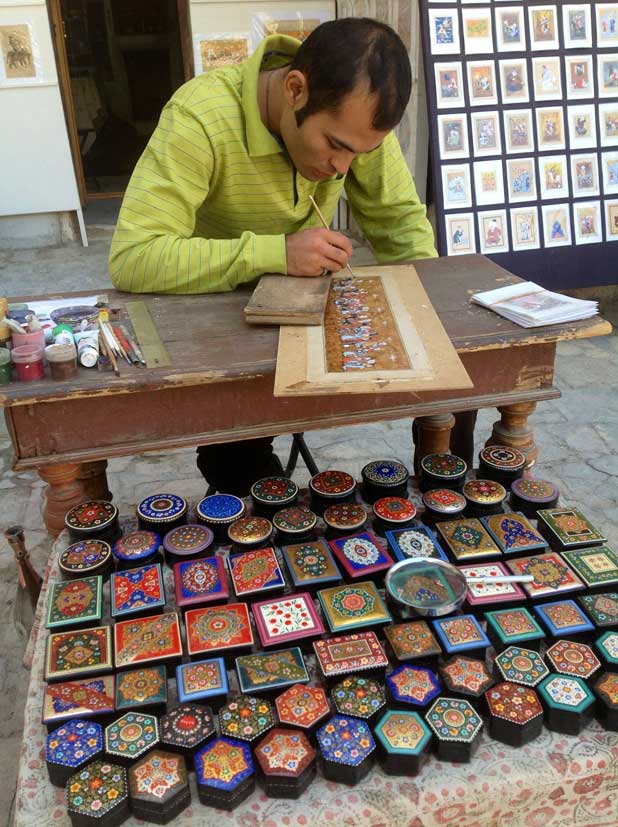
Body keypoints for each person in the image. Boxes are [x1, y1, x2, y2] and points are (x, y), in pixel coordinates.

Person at [109, 18, 473, 494]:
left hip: (312, 305)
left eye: (361, 153)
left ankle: (448, 502)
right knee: (239, 455)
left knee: (462, 383)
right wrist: (273, 252)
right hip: (224, 308)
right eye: (335, 146)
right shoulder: (199, 116)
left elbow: (401, 225)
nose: (342, 167)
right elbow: (134, 257)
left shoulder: (354, 126)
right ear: (296, 90)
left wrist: (434, 319)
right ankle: (260, 523)